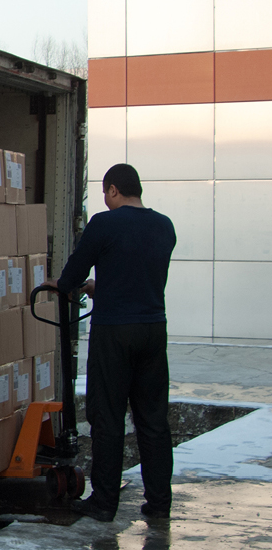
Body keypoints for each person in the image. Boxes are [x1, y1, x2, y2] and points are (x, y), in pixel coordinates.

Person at [45, 164, 177, 522]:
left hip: (114, 333)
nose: (106, 199)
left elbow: (73, 275)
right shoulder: (164, 226)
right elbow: (138, 277)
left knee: (107, 418)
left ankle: (104, 503)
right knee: (153, 420)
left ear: (114, 190)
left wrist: (65, 284)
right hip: (152, 329)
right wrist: (100, 288)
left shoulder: (104, 223)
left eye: (106, 193)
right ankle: (159, 503)